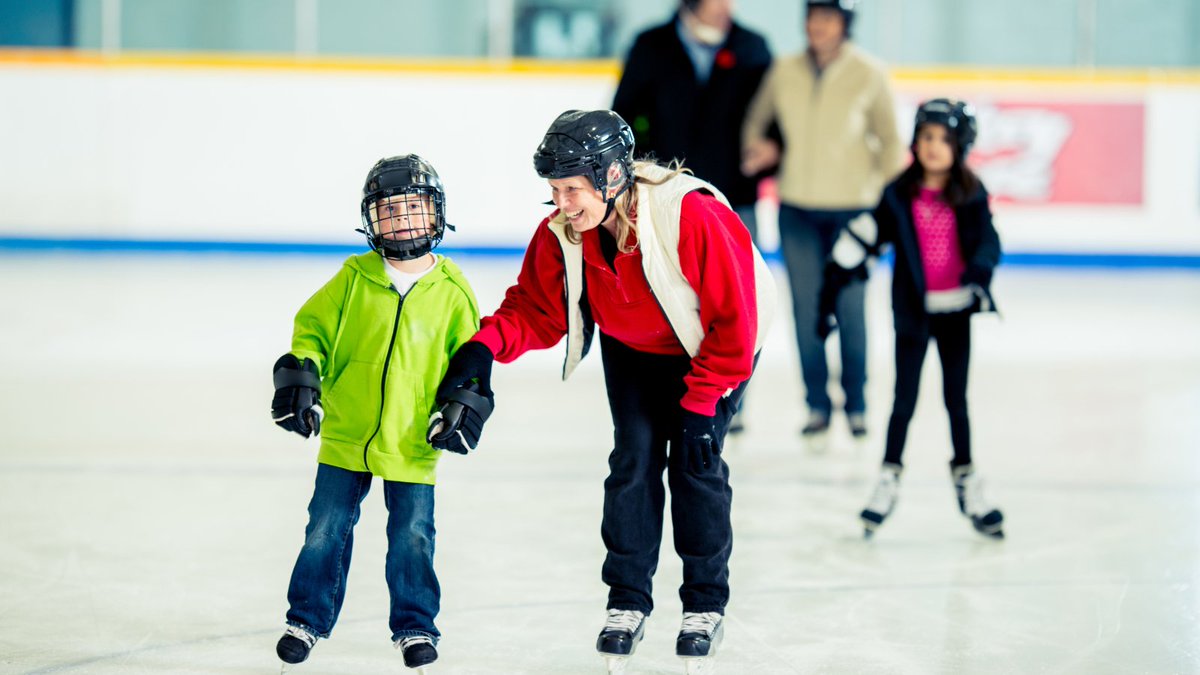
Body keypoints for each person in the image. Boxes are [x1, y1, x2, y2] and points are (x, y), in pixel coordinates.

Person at [433, 109, 775, 673]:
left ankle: (705, 604)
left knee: (695, 464)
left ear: (613, 175)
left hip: (712, 348)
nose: (562, 203)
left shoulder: (689, 214)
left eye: (573, 189)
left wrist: (702, 403)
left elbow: (736, 323)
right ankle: (627, 600)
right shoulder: (564, 232)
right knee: (633, 463)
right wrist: (482, 350)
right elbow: (535, 310)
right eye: (554, 190)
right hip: (635, 351)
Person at [268, 155, 485, 672]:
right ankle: (306, 619)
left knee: (412, 535)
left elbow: (470, 361)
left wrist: (462, 403)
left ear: (436, 215)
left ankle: (414, 627)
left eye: (413, 207)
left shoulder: (453, 292)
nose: (402, 220)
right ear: (372, 220)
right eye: (389, 211)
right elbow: (312, 331)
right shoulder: (354, 277)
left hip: (413, 441)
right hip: (347, 431)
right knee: (324, 526)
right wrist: (302, 374)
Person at [816, 99, 1005, 539]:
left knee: (956, 402)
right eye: (926, 137)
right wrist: (834, 279)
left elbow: (988, 241)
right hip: (913, 315)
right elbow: (869, 234)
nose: (933, 147)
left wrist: (980, 269)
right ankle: (888, 477)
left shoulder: (972, 194)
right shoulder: (899, 193)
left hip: (956, 310)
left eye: (944, 139)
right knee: (904, 402)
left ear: (962, 145)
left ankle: (967, 478)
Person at [741, 0, 903, 443]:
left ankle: (856, 403)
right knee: (806, 310)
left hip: (853, 211)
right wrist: (762, 147)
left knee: (850, 310)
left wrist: (889, 212)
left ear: (845, 24)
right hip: (796, 209)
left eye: (829, 17)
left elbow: (891, 145)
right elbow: (757, 121)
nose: (818, 25)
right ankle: (816, 403)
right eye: (813, 16)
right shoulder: (785, 69)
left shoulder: (869, 73)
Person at [611, 0, 772, 241]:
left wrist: (771, 146)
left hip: (734, 198)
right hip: (663, 195)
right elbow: (624, 118)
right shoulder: (651, 46)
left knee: (737, 276)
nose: (726, 7)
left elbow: (773, 113)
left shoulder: (751, 47)